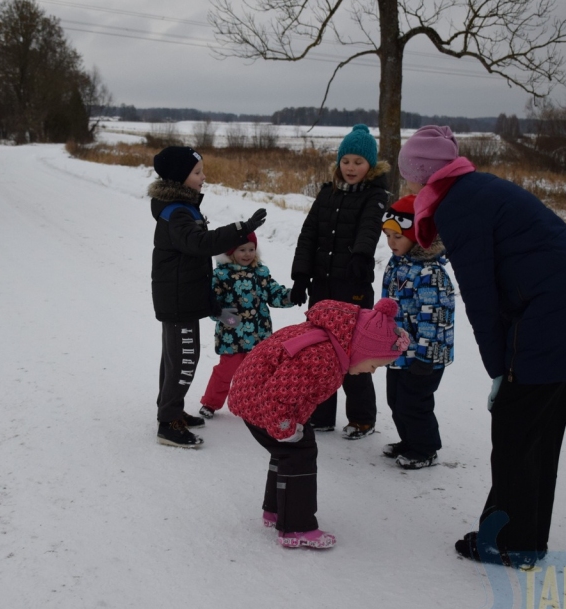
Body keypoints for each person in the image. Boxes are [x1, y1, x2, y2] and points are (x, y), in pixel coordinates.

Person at [397, 125, 566, 568]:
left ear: (423, 175)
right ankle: (522, 538)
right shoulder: (475, 190)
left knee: (516, 433)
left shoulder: (459, 206)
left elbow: (481, 297)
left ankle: (510, 542)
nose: (406, 183)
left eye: (408, 174)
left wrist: (500, 370)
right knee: (536, 433)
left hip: (554, 317)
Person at [228, 298, 410, 549]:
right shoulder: (322, 356)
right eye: (375, 364)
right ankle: (296, 527)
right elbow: (278, 395)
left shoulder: (330, 343)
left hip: (258, 399)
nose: (373, 371)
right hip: (262, 405)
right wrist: (284, 429)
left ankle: (275, 511)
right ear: (362, 349)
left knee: (287, 452)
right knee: (299, 452)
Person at [149, 145, 267, 448]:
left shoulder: (180, 207)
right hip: (177, 301)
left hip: (182, 296)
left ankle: (171, 410)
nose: (204, 177)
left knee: (175, 359)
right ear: (179, 177)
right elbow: (200, 243)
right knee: (184, 360)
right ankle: (168, 423)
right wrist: (242, 229)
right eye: (197, 172)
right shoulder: (176, 212)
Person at [290, 124, 391, 439]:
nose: (351, 168)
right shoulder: (326, 193)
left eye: (358, 162)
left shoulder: (375, 195)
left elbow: (370, 226)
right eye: (346, 161)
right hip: (322, 287)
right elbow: (309, 235)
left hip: (352, 286)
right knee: (319, 351)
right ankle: (320, 416)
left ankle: (362, 418)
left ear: (370, 166)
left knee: (354, 353)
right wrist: (300, 276)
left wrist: (361, 256)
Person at [379, 194, 455, 470]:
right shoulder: (397, 264)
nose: (391, 243)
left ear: (417, 234)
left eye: (397, 237)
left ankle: (425, 449)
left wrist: (425, 357)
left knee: (415, 403)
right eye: (387, 236)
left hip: (425, 355)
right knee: (396, 401)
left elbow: (434, 320)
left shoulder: (430, 274)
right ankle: (409, 441)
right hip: (399, 351)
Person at [198, 232, 294, 419]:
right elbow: (210, 302)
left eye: (251, 249)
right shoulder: (221, 275)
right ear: (231, 252)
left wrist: (290, 296)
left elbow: (273, 293)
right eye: (242, 250)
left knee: (258, 373)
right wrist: (219, 313)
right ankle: (210, 403)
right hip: (232, 334)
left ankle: (256, 405)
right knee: (225, 371)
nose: (247, 254)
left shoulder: (260, 272)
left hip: (259, 333)